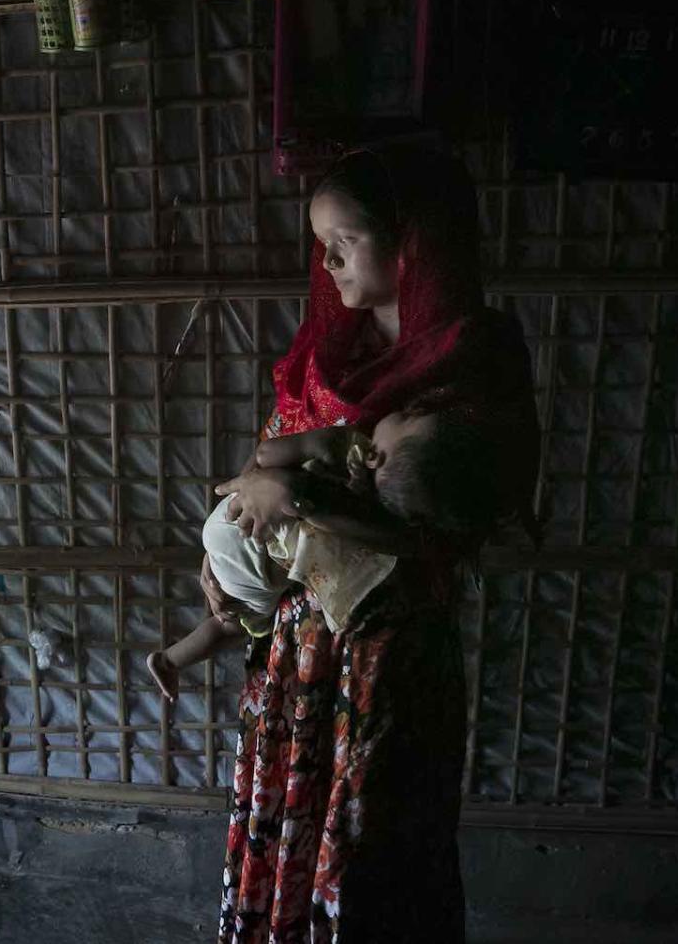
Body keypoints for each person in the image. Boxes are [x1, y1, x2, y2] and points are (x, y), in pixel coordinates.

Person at [209, 145, 540, 943]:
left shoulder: (478, 360)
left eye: (345, 242)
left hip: (390, 657)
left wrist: (298, 499)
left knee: (372, 845)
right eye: (321, 245)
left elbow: (454, 534)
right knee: (293, 818)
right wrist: (225, 549)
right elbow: (267, 462)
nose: (327, 263)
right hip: (299, 645)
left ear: (412, 241)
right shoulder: (331, 350)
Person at [147, 406, 508, 701]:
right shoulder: (374, 514)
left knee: (232, 618)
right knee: (229, 626)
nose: (405, 411)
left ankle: (168, 660)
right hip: (258, 559)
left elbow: (265, 454)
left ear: (377, 456)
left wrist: (311, 443)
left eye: (407, 418)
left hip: (238, 529)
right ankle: (169, 660)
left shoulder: (343, 447)